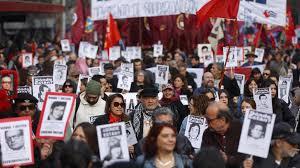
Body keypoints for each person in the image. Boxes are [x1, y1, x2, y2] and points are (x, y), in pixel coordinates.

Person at [202, 102, 245, 168]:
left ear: (222, 120)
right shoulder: (207, 133)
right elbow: (204, 158)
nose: (207, 123)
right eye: (206, 120)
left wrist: (228, 159)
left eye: (209, 120)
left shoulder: (240, 129)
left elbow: (246, 158)